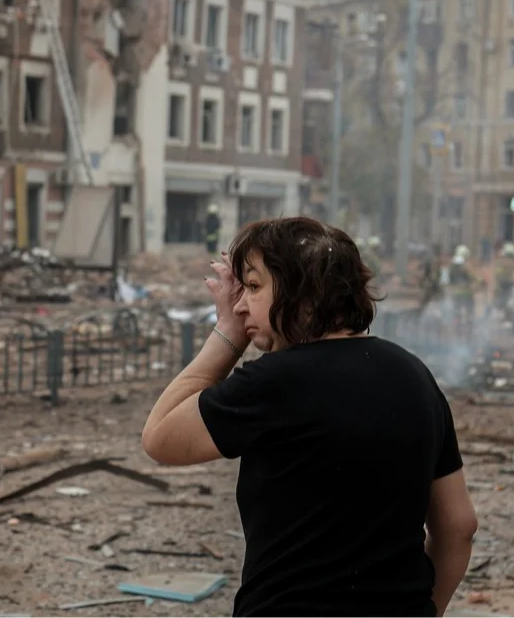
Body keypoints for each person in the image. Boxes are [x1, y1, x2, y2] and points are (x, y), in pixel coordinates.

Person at [141, 217, 478, 617]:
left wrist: (228, 334)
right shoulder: (415, 376)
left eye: (253, 287)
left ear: (303, 293)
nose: (240, 305)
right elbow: (459, 526)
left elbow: (160, 436)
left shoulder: (276, 381)